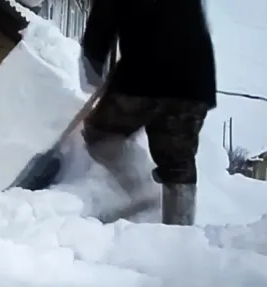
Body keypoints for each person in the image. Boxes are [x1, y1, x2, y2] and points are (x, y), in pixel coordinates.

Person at [80, 0, 217, 225]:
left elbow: (102, 21)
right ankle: (179, 235)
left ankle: (141, 190)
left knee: (99, 133)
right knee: (177, 160)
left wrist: (92, 68)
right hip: (195, 80)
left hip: (144, 73)